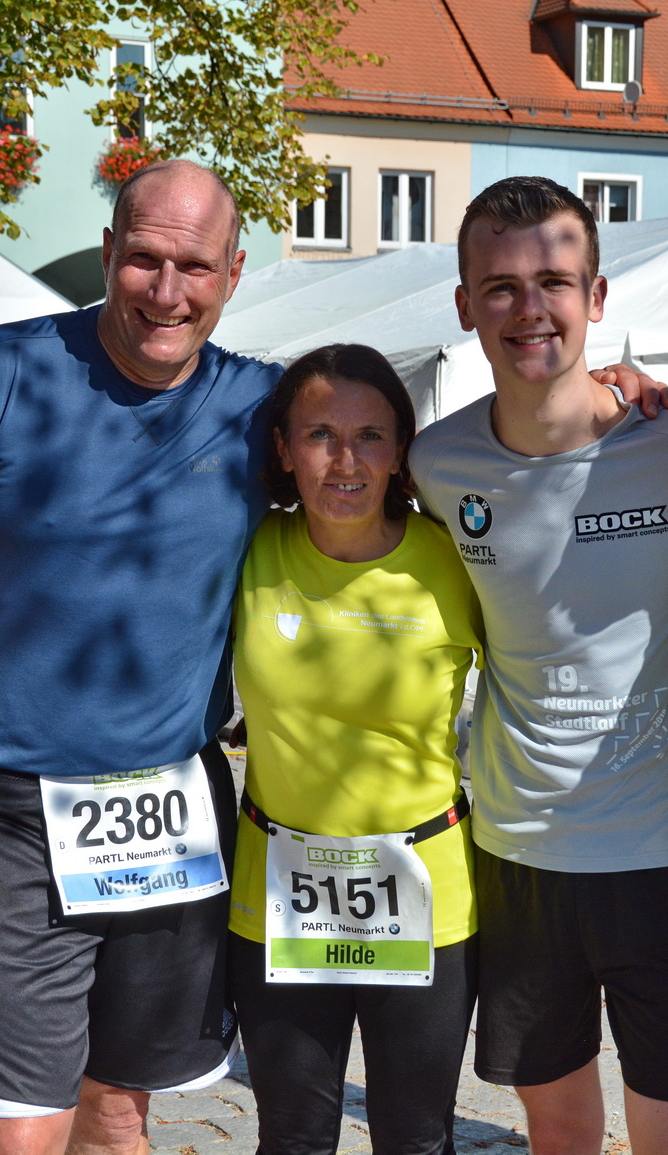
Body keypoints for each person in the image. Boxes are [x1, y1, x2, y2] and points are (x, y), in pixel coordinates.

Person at [0, 157, 668, 1155]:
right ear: (108, 256)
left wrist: (600, 398)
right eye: (143, 260)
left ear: (233, 274)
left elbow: (495, 553)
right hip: (24, 806)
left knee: (120, 1108)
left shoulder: (255, 407)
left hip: (180, 807)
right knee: (23, 1122)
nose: (166, 289)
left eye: (193, 266)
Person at [409, 176, 668, 1155]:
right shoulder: (436, 468)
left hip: (666, 863)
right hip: (518, 864)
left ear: (596, 298)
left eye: (555, 281)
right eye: (502, 287)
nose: (531, 309)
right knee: (559, 1139)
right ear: (466, 305)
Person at [228, 343, 481, 1155]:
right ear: (283, 449)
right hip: (278, 891)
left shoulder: (454, 559)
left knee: (415, 1138)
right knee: (293, 1139)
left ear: (402, 449)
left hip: (425, 892)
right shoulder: (250, 550)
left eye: (371, 435)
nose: (346, 460)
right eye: (320, 436)